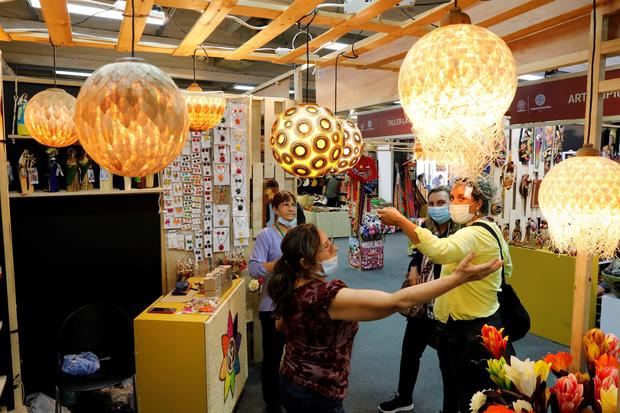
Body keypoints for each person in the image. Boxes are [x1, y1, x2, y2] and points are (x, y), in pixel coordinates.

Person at [268, 224, 502, 413]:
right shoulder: (323, 297)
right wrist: (457, 279)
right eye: (327, 247)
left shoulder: (291, 287)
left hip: (290, 380)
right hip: (317, 393)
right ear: (306, 263)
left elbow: (281, 326)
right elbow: (396, 302)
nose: (335, 250)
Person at [377, 176, 515, 412]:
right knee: (455, 379)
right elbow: (508, 268)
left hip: (467, 327)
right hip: (463, 319)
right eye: (452, 197)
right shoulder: (489, 230)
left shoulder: (473, 233)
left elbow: (440, 251)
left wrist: (401, 221)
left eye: (460, 198)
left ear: (478, 203)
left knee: (467, 386)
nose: (453, 204)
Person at [379, 186, 459, 413]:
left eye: (441, 203)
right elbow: (418, 252)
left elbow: (442, 255)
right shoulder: (425, 226)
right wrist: (414, 267)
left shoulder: (460, 231)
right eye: (432, 204)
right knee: (410, 351)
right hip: (423, 302)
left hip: (446, 306)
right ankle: (404, 397)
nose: (436, 208)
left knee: (448, 363)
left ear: (451, 204)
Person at [249, 190, 298, 413]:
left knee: (296, 353)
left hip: (296, 304)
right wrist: (279, 264)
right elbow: (252, 268)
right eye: (285, 204)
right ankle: (272, 401)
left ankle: (291, 394)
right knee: (272, 356)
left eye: (293, 204)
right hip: (272, 305)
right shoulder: (266, 235)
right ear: (275, 209)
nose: (290, 208)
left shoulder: (298, 234)